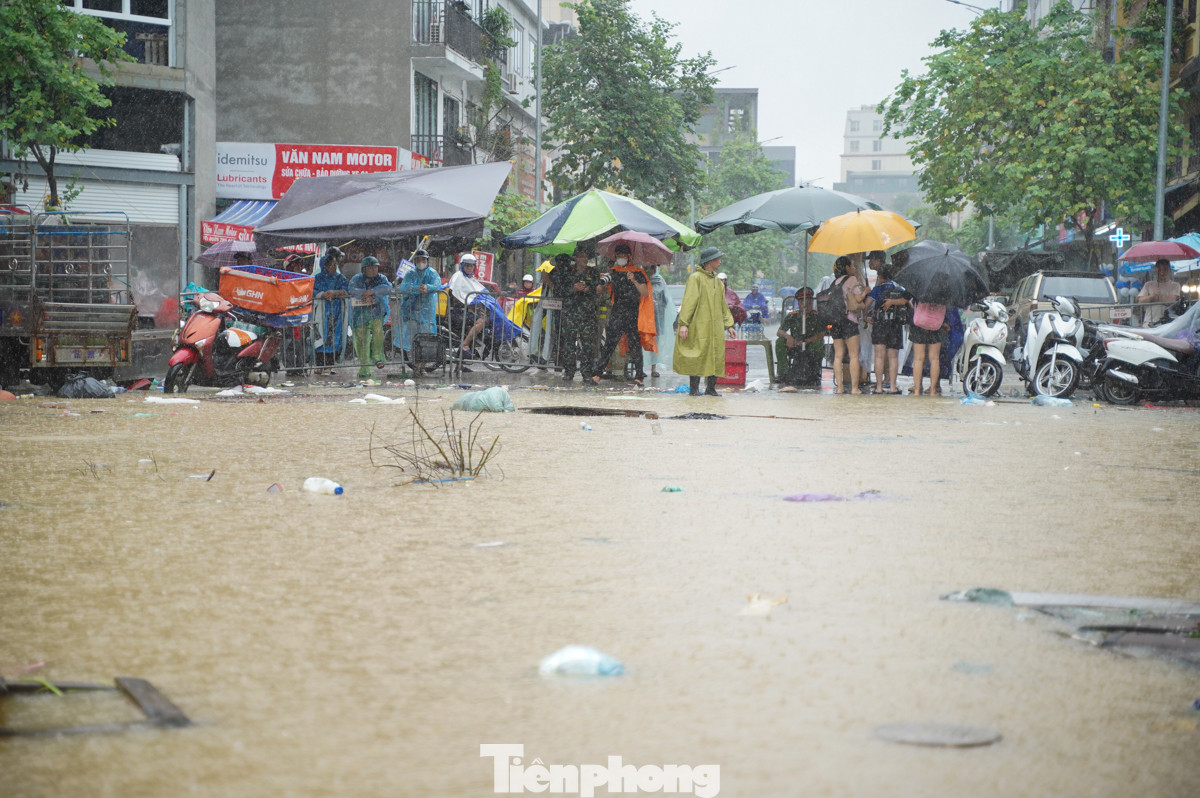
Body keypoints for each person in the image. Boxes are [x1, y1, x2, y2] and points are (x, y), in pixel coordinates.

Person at [675, 247, 735, 396]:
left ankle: (711, 388)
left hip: (715, 327)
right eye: (717, 258)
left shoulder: (718, 282)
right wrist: (684, 324)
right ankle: (694, 389)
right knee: (698, 354)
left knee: (715, 354)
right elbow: (689, 302)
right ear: (709, 262)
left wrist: (729, 325)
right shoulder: (696, 278)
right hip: (699, 325)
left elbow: (723, 305)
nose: (720, 261)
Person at [593, 243, 655, 387]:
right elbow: (599, 291)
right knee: (609, 344)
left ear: (629, 256)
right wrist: (601, 281)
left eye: (623, 255)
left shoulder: (638, 272)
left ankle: (639, 376)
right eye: (618, 256)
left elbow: (645, 293)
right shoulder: (613, 272)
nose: (620, 258)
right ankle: (597, 374)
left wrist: (633, 279)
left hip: (633, 313)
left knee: (634, 345)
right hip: (617, 312)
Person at [868, 260, 912, 394]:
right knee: (893, 357)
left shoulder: (877, 289)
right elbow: (908, 302)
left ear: (881, 276)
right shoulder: (900, 289)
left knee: (879, 356)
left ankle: (879, 387)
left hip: (880, 325)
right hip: (895, 326)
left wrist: (866, 315)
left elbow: (867, 304)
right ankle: (893, 387)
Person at [558, 246, 601, 382]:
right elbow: (559, 290)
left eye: (585, 256)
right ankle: (569, 371)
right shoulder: (567, 272)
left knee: (587, 345)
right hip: (570, 313)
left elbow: (598, 289)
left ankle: (586, 373)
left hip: (587, 314)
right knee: (569, 344)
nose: (584, 259)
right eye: (581, 256)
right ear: (575, 258)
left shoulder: (593, 272)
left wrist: (588, 289)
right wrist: (573, 288)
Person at [828, 256, 868, 394]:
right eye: (852, 265)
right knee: (853, 355)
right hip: (849, 320)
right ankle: (854, 388)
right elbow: (857, 299)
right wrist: (866, 292)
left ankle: (839, 388)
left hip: (836, 321)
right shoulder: (851, 279)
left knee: (838, 355)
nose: (854, 268)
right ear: (847, 267)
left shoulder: (834, 282)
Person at [347, 256, 392, 379]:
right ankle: (365, 367)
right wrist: (363, 293)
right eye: (371, 268)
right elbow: (351, 289)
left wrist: (372, 292)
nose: (374, 270)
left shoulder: (381, 278)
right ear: (364, 269)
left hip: (376, 312)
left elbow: (388, 288)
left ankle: (377, 356)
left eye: (375, 267)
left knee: (378, 332)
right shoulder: (357, 279)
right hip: (359, 315)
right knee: (361, 340)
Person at [396, 248, 441, 361]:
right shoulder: (410, 273)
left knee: (426, 340)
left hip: (427, 313)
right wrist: (417, 289)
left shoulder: (432, 273)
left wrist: (428, 288)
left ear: (427, 261)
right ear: (415, 261)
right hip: (412, 311)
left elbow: (437, 285)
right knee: (412, 339)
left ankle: (422, 366)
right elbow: (403, 287)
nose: (421, 262)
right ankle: (415, 363)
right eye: (418, 260)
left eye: (423, 260)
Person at [775, 287, 824, 387]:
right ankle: (783, 373)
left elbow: (821, 334)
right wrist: (788, 337)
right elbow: (779, 331)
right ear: (799, 304)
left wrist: (807, 341)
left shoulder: (817, 316)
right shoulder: (792, 316)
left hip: (810, 346)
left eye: (809, 303)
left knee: (819, 344)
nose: (806, 306)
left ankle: (815, 372)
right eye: (803, 303)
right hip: (794, 345)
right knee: (780, 342)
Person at [313, 248, 349, 373]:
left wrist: (336, 292)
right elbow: (311, 291)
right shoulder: (317, 278)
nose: (333, 267)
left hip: (336, 312)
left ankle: (329, 364)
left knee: (333, 338)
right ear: (324, 265)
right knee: (320, 337)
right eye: (331, 264)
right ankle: (319, 365)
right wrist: (322, 294)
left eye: (335, 264)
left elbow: (346, 290)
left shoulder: (340, 278)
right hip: (321, 312)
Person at [448, 253, 489, 356]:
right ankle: (465, 345)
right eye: (467, 265)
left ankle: (460, 366)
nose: (469, 268)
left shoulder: (469, 278)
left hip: (464, 311)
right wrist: (471, 306)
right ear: (462, 266)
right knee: (481, 321)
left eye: (472, 266)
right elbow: (458, 296)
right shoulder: (459, 277)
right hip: (456, 312)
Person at [909, 298, 949, 396]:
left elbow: (908, 300)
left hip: (919, 324)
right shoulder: (945, 290)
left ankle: (917, 390)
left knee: (918, 359)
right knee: (934, 359)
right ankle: (933, 391)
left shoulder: (920, 286)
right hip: (937, 325)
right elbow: (948, 307)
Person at [645, 263, 677, 378]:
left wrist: (657, 305)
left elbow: (665, 299)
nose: (651, 269)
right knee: (643, 341)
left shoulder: (660, 281)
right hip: (645, 317)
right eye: (649, 267)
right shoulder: (641, 279)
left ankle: (653, 367)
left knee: (655, 342)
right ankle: (641, 367)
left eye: (653, 267)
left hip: (658, 317)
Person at [1137, 259, 1182, 325]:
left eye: (1165, 270)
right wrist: (1152, 296)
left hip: (1168, 322)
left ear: (1169, 270)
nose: (1162, 272)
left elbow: (1171, 300)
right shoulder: (1148, 284)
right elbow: (1141, 300)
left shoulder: (1175, 285)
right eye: (1160, 270)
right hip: (1150, 321)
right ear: (1155, 270)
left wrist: (1154, 299)